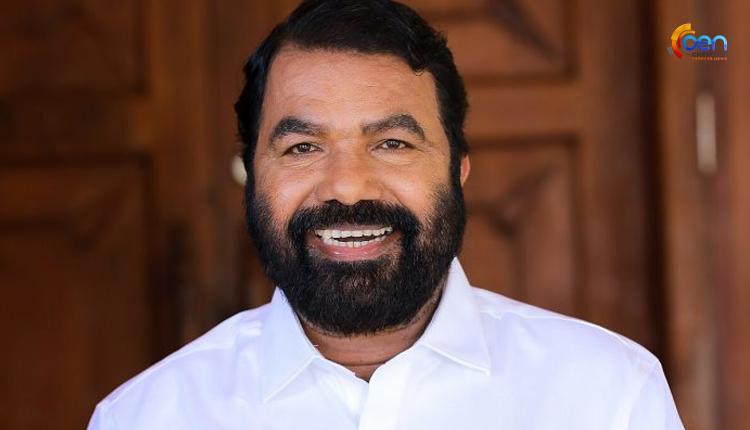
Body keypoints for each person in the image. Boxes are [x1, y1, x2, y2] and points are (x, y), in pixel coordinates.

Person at [88, 0, 684, 428]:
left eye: (392, 143)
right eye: (303, 147)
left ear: (458, 169)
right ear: (252, 177)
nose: (347, 187)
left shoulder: (608, 395)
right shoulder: (145, 417)